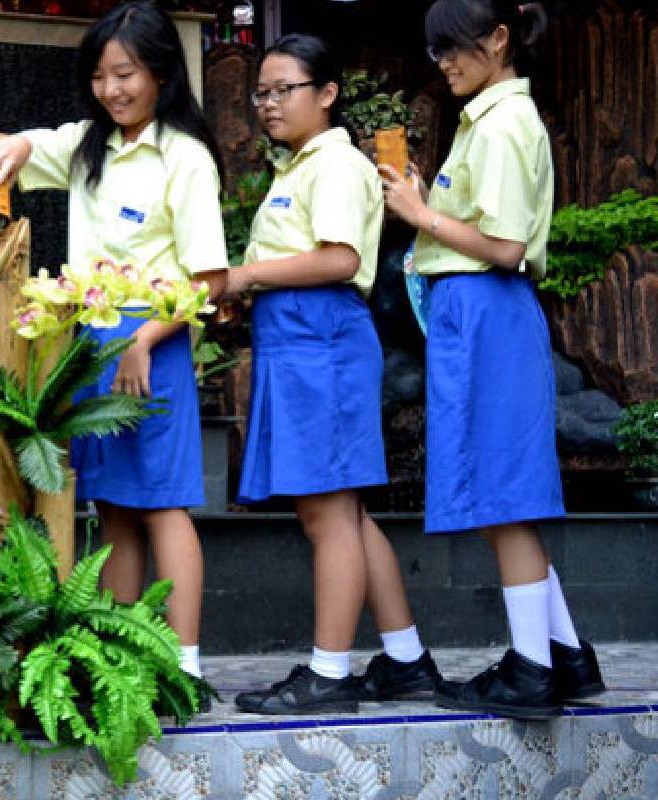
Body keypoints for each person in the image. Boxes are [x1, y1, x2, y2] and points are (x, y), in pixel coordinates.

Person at [0, 0, 227, 685]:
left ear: (162, 73)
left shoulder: (187, 158)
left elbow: (208, 278)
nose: (113, 89)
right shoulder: (91, 143)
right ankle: (126, 658)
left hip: (153, 340)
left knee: (164, 504)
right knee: (112, 506)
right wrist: (5, 147)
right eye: (101, 76)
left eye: (127, 74)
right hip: (90, 340)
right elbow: (20, 148)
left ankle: (184, 668)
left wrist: (145, 339)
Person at [381, 0, 603, 719]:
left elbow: (505, 247)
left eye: (454, 47)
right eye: (435, 49)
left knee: (503, 495)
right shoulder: (488, 119)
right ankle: (563, 655)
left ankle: (534, 671)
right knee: (497, 490)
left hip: (489, 311)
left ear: (499, 40)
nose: (443, 61)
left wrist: (421, 217)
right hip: (474, 315)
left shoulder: (504, 124)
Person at [220, 34, 441, 715]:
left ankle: (330, 675)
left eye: (284, 88)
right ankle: (406, 661)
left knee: (327, 514)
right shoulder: (300, 168)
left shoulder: (339, 164)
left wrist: (245, 274)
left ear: (327, 94)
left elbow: (341, 259)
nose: (269, 103)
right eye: (262, 91)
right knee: (344, 510)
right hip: (301, 344)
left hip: (323, 344)